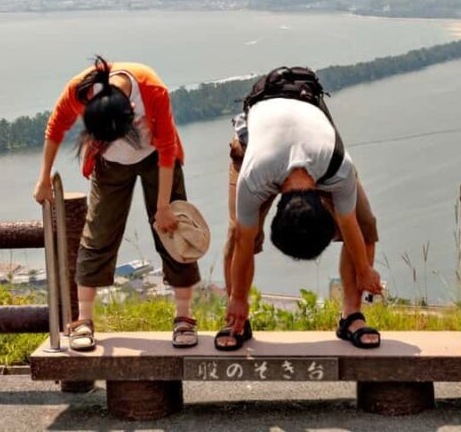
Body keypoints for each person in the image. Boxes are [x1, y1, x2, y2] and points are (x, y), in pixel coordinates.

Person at [33, 56, 200, 351]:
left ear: (131, 110)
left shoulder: (151, 89)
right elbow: (56, 127)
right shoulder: (78, 90)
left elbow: (165, 148)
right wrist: (44, 177)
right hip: (109, 164)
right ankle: (83, 320)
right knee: (98, 232)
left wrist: (163, 207)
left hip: (156, 160)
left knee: (174, 230)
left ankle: (184, 317)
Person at [218, 66, 383, 351]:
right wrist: (239, 296)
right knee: (237, 234)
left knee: (365, 223)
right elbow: (246, 242)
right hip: (254, 139)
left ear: (322, 198)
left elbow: (349, 223)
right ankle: (236, 319)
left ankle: (351, 316)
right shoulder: (255, 177)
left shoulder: (337, 168)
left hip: (310, 130)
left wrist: (366, 269)